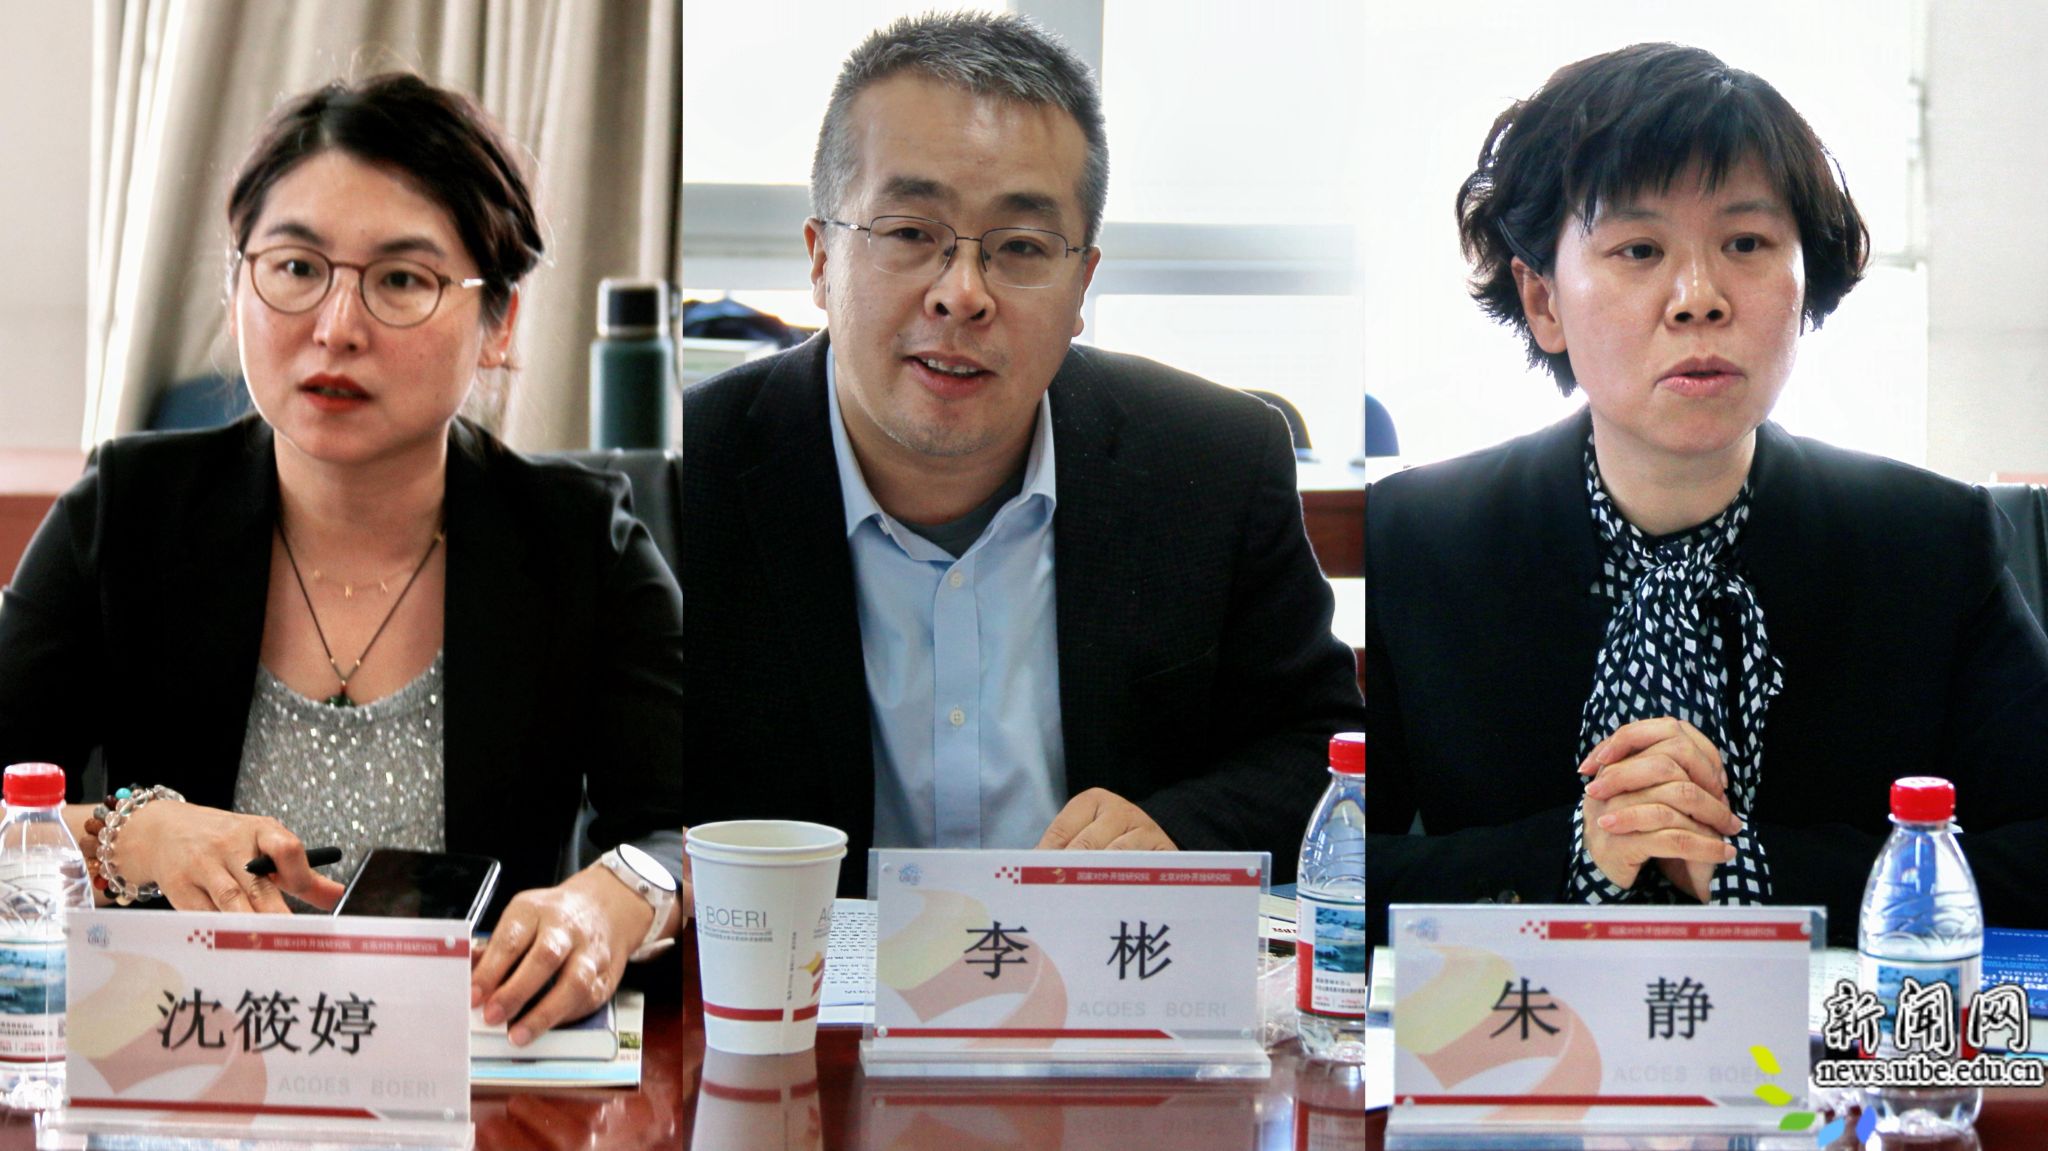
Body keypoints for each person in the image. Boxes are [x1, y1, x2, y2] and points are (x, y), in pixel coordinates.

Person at [0, 74, 687, 1043]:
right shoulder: (127, 514)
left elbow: (690, 831)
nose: (335, 327)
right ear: (238, 285)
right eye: (296, 267)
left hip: (477, 1073)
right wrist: (128, 835)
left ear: (500, 325)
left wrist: (614, 897)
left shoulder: (582, 545)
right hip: (180, 1064)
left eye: (401, 280)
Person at [1365, 43, 2048, 946]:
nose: (1698, 299)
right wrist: (1574, 854)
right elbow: (1326, 865)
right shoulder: (1421, 537)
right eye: (1640, 249)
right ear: (1543, 300)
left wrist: (1750, 870)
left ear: (1806, 277)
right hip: (1515, 1025)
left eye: (1746, 244)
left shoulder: (1927, 540)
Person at [680, 12, 1364, 888]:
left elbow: (1320, 748)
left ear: (1082, 286)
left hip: (1105, 964)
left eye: (1021, 248)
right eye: (909, 233)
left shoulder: (1214, 462)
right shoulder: (689, 478)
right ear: (820, 260)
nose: (962, 294)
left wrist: (1174, 835)